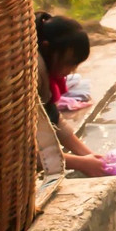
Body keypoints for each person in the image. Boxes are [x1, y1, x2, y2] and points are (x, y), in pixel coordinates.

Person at [36, 12, 107, 178]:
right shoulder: (32, 74)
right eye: (69, 63)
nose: (71, 72)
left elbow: (52, 117)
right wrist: (81, 163)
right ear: (47, 48)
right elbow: (25, 153)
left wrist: (90, 157)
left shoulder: (44, 67)